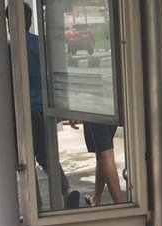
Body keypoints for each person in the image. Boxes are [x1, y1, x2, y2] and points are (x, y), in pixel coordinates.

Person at [24, 4, 81, 208]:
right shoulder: (42, 45)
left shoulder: (11, 50)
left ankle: (35, 207)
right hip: (46, 109)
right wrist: (61, 107)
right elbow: (57, 75)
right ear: (30, 22)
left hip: (27, 111)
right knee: (47, 156)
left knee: (26, 159)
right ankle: (67, 190)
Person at [84, 123, 123, 206]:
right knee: (101, 154)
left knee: (106, 155)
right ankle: (96, 199)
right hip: (109, 112)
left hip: (96, 112)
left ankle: (120, 204)